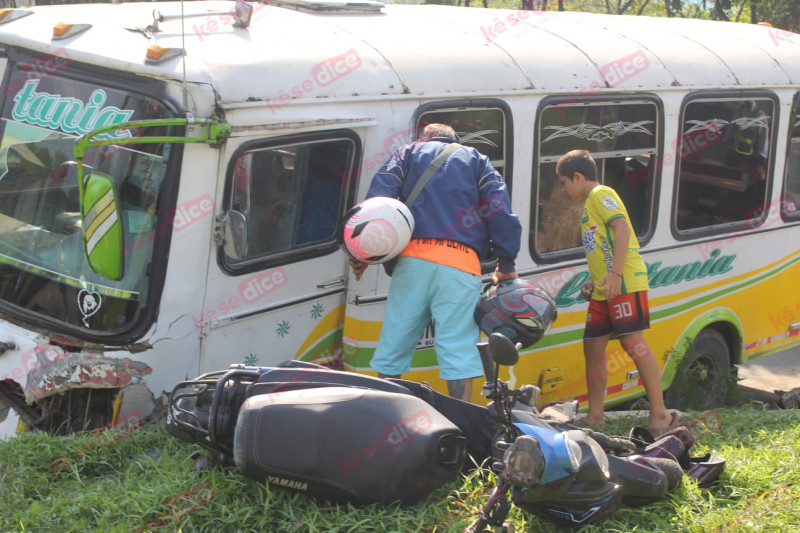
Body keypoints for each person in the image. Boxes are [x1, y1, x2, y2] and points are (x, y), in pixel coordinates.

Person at [348, 123, 522, 401]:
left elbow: (379, 202)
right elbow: (499, 208)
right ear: (454, 139)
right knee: (458, 351)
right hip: (461, 264)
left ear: (424, 138)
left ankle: (388, 412)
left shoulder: (407, 154)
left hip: (412, 262)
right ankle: (461, 421)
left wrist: (363, 253)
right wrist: (506, 263)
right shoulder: (477, 160)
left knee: (395, 345)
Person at [555, 149, 678, 436]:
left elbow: (622, 229)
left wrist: (616, 274)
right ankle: (595, 415)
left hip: (625, 283)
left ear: (578, 176)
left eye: (563, 182)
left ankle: (660, 413)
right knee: (592, 347)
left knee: (632, 343)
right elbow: (604, 248)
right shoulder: (588, 205)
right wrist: (593, 279)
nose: (563, 189)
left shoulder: (601, 194)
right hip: (603, 290)